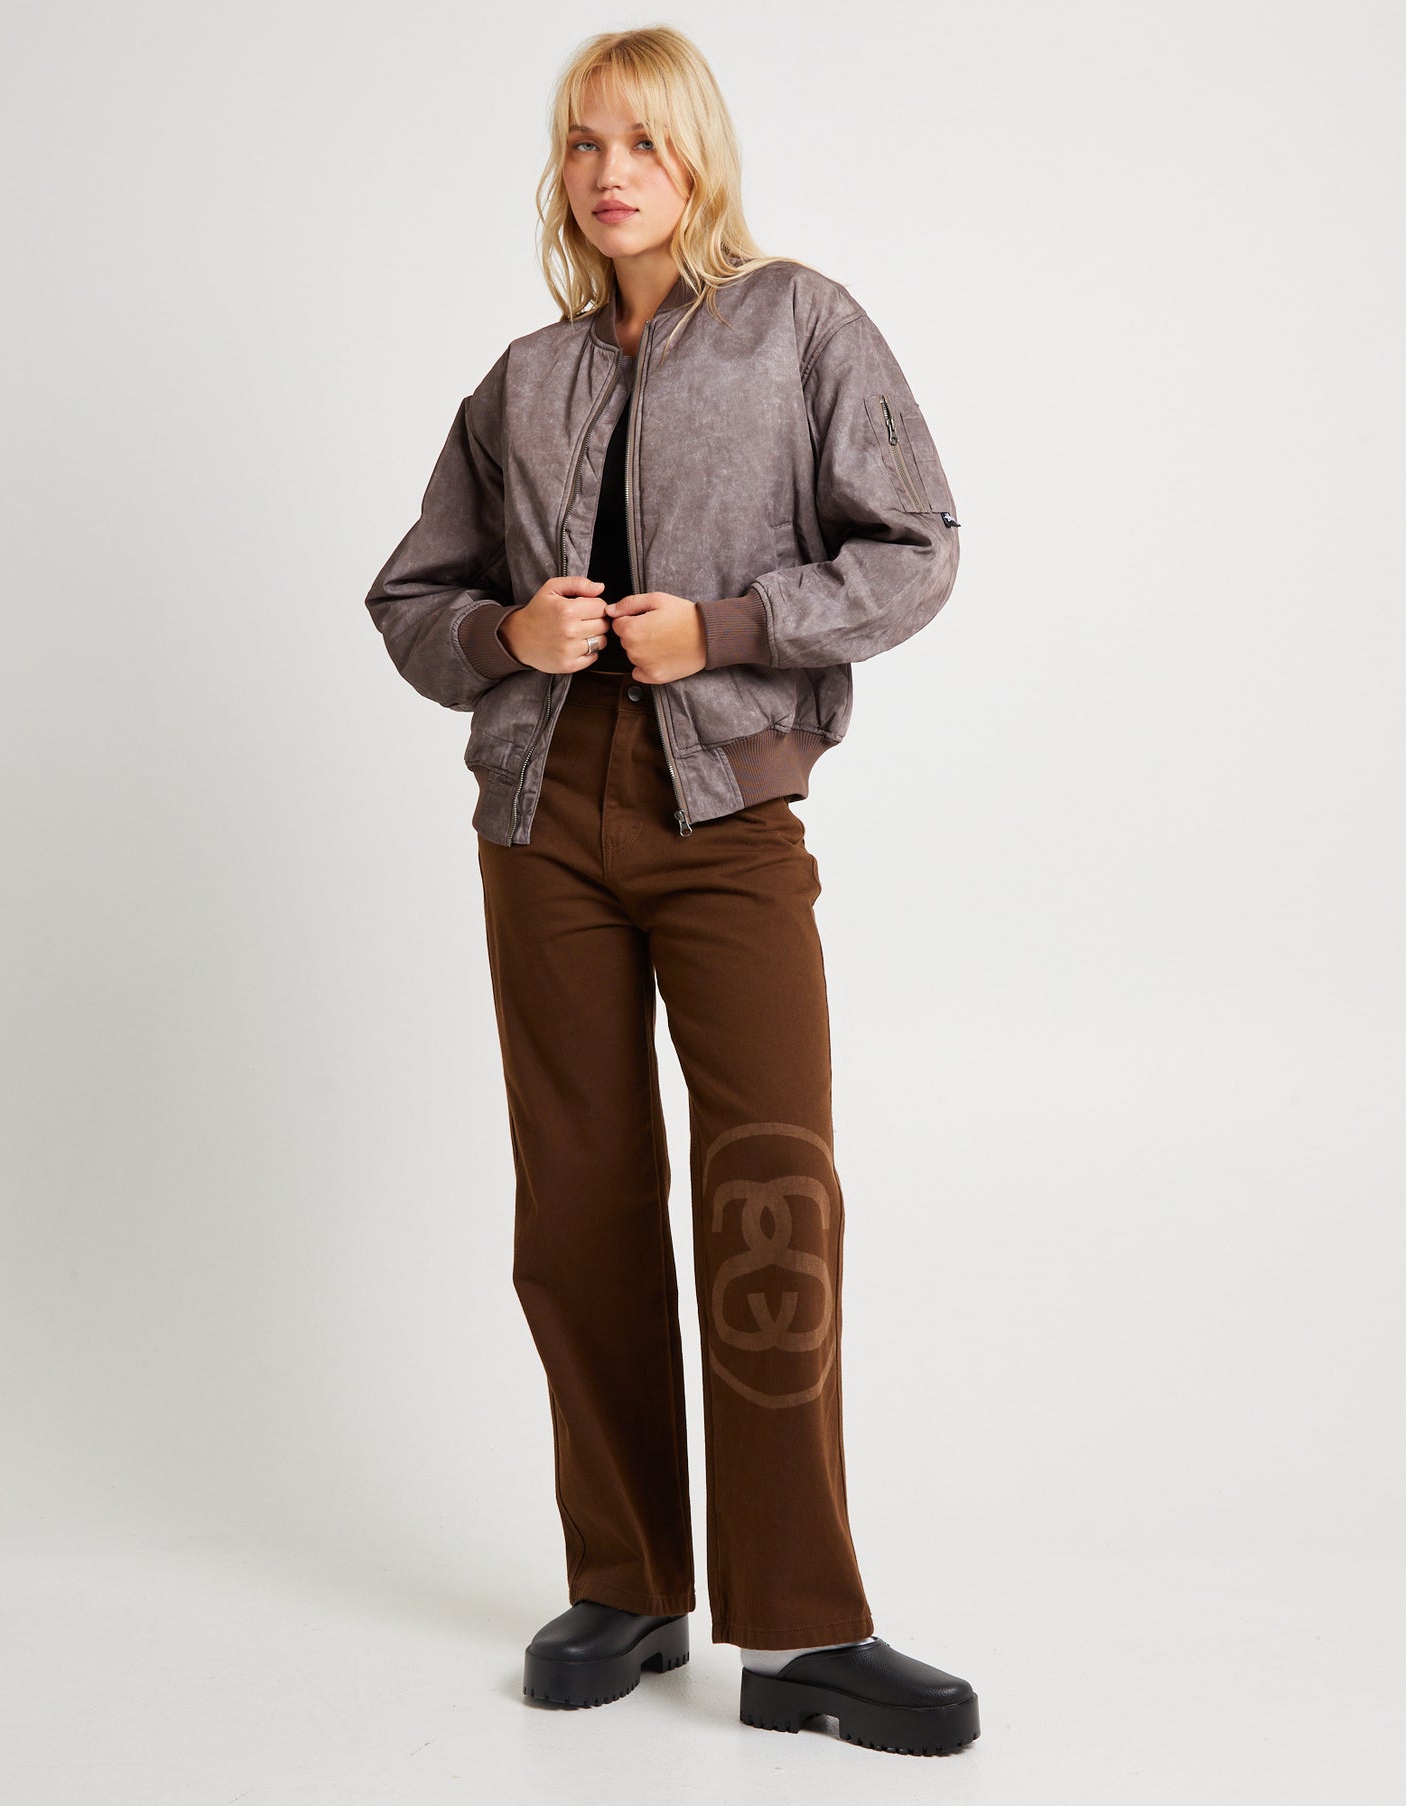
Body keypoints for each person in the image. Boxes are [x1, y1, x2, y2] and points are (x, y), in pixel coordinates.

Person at [363, 25, 980, 1759]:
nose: (607, 171)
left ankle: (801, 1627)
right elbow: (412, 599)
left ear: (696, 155)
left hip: (726, 819)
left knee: (769, 1186)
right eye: (581, 143)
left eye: (639, 139)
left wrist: (729, 628)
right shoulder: (521, 380)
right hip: (543, 821)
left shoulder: (801, 326)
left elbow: (913, 548)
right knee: (575, 1202)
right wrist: (509, 634)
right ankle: (625, 1582)